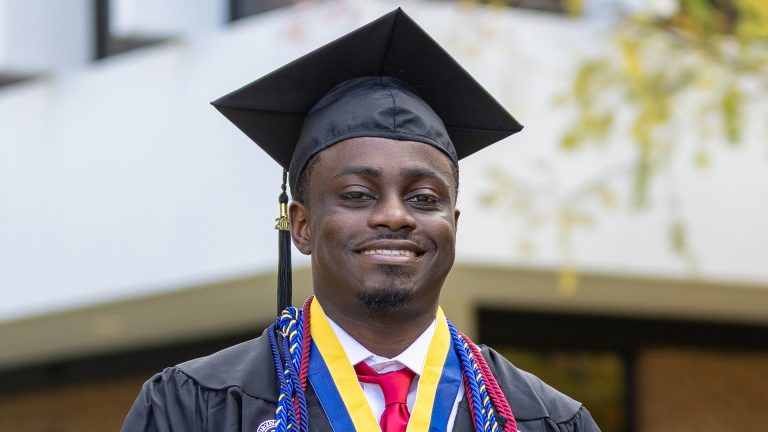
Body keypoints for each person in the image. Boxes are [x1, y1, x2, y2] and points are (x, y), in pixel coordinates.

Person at [122, 8, 600, 432]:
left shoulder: (542, 419)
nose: (395, 215)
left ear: (453, 223)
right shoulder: (197, 408)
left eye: (423, 197)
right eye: (357, 194)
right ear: (302, 225)